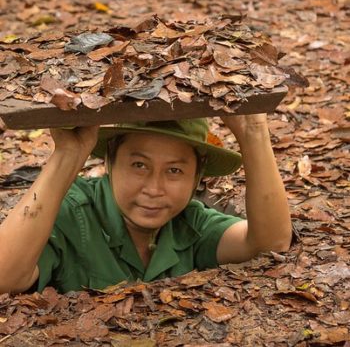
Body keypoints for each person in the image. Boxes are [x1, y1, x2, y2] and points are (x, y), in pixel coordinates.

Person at [0, 114, 292, 294]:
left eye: (174, 171)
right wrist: (67, 154)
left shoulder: (190, 225)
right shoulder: (71, 212)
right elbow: (4, 278)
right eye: (139, 165)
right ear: (110, 161)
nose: (154, 189)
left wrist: (253, 131)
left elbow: (270, 243)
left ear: (197, 176)